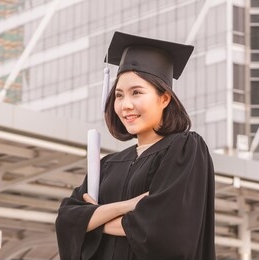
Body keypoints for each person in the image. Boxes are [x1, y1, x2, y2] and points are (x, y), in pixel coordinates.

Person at [55, 31, 216, 260]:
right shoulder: (108, 165)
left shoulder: (185, 149)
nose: (125, 105)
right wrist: (127, 206)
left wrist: (93, 219)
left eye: (137, 93)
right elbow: (66, 220)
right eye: (119, 95)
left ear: (164, 99)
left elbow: (164, 230)